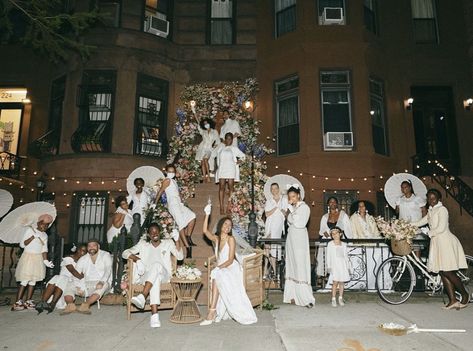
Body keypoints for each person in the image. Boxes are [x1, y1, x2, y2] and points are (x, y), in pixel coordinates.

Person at [200, 205, 257, 325]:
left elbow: (231, 260)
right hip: (222, 268)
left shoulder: (231, 239)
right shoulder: (216, 239)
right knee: (217, 275)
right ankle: (213, 311)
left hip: (231, 268)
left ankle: (212, 311)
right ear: (221, 225)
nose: (227, 227)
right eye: (225, 224)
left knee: (217, 274)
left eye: (230, 225)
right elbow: (205, 231)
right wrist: (207, 214)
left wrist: (218, 267)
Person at [412, 189, 469, 309]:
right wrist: (408, 224)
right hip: (437, 242)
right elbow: (421, 221)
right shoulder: (431, 211)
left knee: (448, 271)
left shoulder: (442, 210)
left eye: (433, 198)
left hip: (445, 242)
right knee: (442, 272)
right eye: (429, 198)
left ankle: (465, 294)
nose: (431, 201)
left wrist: (429, 232)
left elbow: (441, 228)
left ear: (439, 199)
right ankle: (453, 300)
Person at [122, 223, 184, 328]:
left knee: (157, 265)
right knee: (155, 279)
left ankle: (143, 296)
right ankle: (154, 316)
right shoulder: (143, 244)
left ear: (159, 232)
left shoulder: (168, 243)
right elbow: (125, 253)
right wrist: (137, 259)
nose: (154, 234)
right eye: (152, 232)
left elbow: (180, 257)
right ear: (149, 235)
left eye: (156, 231)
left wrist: (177, 241)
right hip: (147, 277)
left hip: (164, 275)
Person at [12, 214, 55, 311]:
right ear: (39, 223)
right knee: (25, 279)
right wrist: (32, 237)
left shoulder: (44, 235)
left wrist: (45, 260)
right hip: (28, 257)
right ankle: (18, 301)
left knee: (33, 281)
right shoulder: (30, 230)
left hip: (38, 258)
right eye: (43, 224)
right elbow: (22, 245)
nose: (45, 227)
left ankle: (28, 300)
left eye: (47, 225)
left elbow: (44, 249)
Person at [283, 185, 315, 308]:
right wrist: (290, 212)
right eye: (290, 197)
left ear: (299, 196)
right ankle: (292, 296)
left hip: (300, 240)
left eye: (294, 196)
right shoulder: (294, 208)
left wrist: (291, 211)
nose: (292, 199)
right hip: (291, 239)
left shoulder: (304, 208)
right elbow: (290, 221)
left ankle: (305, 298)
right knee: (292, 265)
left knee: (300, 265)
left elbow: (300, 223)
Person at [62, 239, 113, 315]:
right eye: (89, 246)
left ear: (98, 246)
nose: (91, 247)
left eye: (94, 245)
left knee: (103, 285)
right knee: (69, 284)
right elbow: (76, 274)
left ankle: (86, 305)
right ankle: (70, 305)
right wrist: (79, 285)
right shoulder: (83, 258)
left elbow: (108, 270)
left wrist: (102, 282)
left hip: (101, 282)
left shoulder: (105, 255)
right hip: (87, 284)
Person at [156, 164, 196, 258]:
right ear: (166, 172)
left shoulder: (174, 181)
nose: (171, 173)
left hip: (178, 203)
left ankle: (188, 237)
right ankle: (187, 247)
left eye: (172, 172)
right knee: (181, 224)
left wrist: (182, 201)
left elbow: (177, 193)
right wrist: (155, 203)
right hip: (173, 204)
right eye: (169, 172)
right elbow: (160, 191)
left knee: (192, 216)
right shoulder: (167, 180)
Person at [35, 244, 87, 314]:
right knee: (60, 278)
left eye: (86, 252)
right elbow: (73, 271)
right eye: (83, 251)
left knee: (61, 279)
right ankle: (45, 302)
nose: (85, 253)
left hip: (70, 282)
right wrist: (82, 277)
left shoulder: (83, 262)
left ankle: (48, 303)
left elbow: (82, 274)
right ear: (78, 250)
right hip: (61, 279)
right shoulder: (68, 258)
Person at [317, 197, 352, 279]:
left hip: (339, 242)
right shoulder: (325, 216)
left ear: (337, 204)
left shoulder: (343, 215)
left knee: (338, 260)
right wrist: (325, 232)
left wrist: (349, 241)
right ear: (328, 204)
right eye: (330, 202)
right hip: (327, 241)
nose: (332, 204)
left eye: (334, 202)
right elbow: (321, 229)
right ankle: (325, 277)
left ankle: (340, 277)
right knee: (327, 259)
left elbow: (348, 228)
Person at [213, 132, 246, 215]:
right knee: (221, 187)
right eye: (227, 138)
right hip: (222, 169)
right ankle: (221, 206)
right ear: (225, 139)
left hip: (231, 169)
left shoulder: (234, 148)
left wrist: (240, 161)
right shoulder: (221, 148)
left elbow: (243, 156)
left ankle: (229, 206)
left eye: (230, 139)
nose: (228, 140)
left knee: (231, 188)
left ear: (232, 140)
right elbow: (216, 158)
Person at [264, 183, 288, 277]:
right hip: (269, 224)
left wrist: (282, 209)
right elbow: (267, 214)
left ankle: (273, 270)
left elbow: (285, 214)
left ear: (278, 189)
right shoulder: (269, 201)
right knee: (267, 246)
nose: (274, 190)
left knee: (273, 248)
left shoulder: (284, 200)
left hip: (278, 225)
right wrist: (275, 207)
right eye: (272, 189)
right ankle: (268, 269)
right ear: (271, 190)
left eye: (275, 188)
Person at [326, 227, 351, 307]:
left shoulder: (344, 244)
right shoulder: (330, 244)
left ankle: (340, 297)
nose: (334, 235)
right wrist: (329, 266)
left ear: (340, 234)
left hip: (342, 265)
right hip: (335, 265)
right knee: (335, 282)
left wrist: (348, 267)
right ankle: (333, 298)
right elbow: (328, 256)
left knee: (341, 282)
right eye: (333, 234)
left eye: (336, 233)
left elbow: (346, 256)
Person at [195, 116, 220, 182]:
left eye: (207, 123)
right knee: (202, 162)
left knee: (205, 159)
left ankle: (208, 176)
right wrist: (194, 112)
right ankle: (204, 176)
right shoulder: (203, 131)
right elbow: (198, 122)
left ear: (210, 123)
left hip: (209, 148)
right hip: (202, 148)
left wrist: (213, 147)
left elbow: (218, 141)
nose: (206, 125)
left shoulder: (214, 131)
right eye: (204, 124)